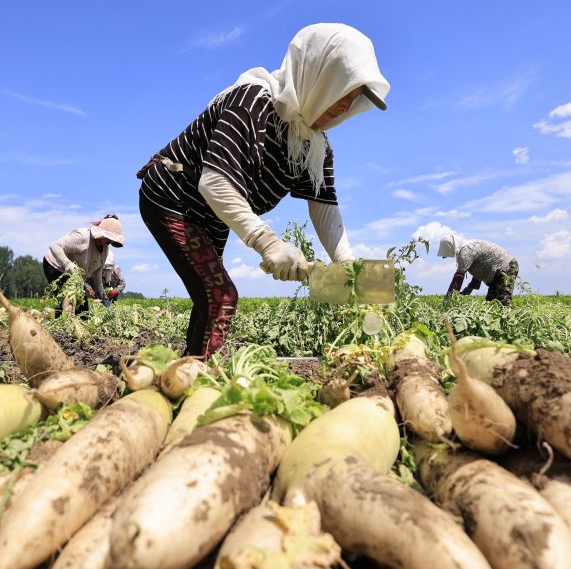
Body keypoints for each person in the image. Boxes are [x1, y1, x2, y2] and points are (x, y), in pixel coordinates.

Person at [136, 23, 389, 358]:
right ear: (320, 78)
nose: (344, 110)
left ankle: (189, 365)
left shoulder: (315, 146)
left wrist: (353, 274)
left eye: (352, 103)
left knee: (208, 294)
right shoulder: (252, 102)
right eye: (341, 95)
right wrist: (268, 243)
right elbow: (214, 182)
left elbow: (324, 206)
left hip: (214, 216)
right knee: (220, 296)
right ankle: (196, 378)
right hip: (174, 198)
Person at [44, 215, 125, 315]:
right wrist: (67, 264)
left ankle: (70, 323)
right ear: (101, 234)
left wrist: (99, 287)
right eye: (109, 238)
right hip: (56, 267)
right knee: (68, 302)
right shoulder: (82, 236)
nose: (110, 242)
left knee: (83, 310)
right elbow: (54, 246)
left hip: (75, 275)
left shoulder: (104, 247)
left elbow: (98, 268)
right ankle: (61, 325)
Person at [438, 234, 519, 308]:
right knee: (491, 303)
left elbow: (458, 278)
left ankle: (511, 321)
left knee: (504, 300)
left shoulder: (466, 251)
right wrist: (467, 290)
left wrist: (449, 298)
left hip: (507, 267)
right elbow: (479, 271)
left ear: (449, 247)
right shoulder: (467, 248)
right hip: (495, 275)